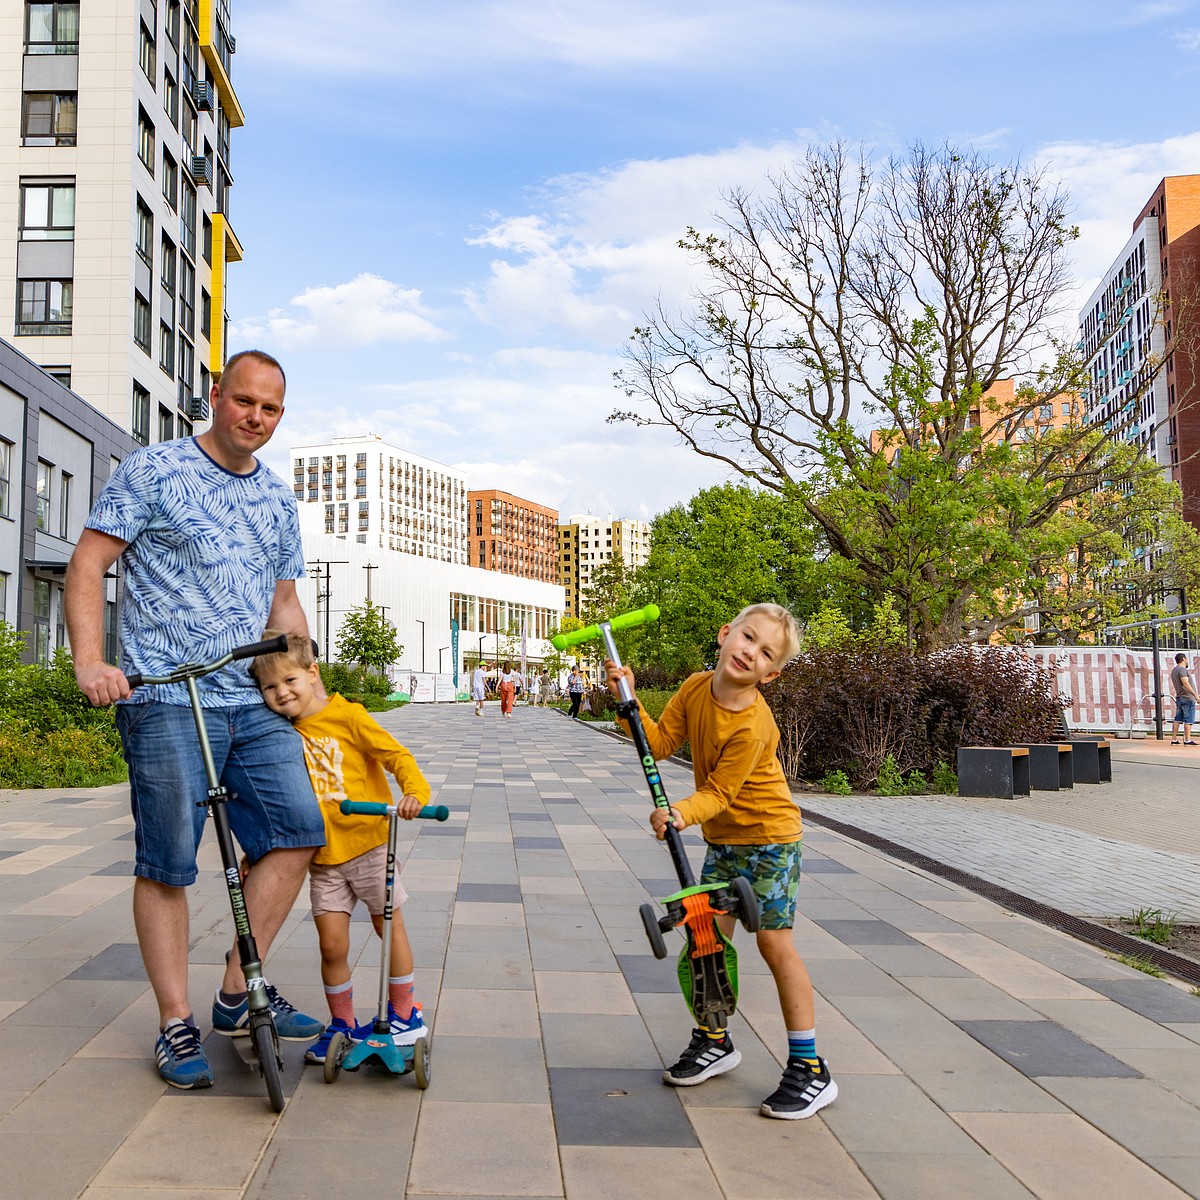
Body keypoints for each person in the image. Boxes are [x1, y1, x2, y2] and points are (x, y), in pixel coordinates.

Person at [64, 350, 326, 1091]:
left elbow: (283, 607)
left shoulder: (277, 498)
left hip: (252, 699)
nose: (256, 417)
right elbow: (88, 565)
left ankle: (238, 993)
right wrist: (91, 662)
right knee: (168, 862)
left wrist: (312, 691)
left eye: (270, 409)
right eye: (244, 401)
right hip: (166, 698)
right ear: (216, 396)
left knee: (299, 830)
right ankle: (175, 1021)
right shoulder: (155, 471)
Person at [604, 603, 836, 1121]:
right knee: (706, 940)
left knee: (775, 944)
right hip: (725, 841)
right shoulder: (694, 687)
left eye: (765, 652)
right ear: (726, 632)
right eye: (748, 637)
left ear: (770, 673)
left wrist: (680, 814)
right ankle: (714, 1040)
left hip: (771, 840)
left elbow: (721, 793)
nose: (750, 651)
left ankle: (810, 1068)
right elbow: (660, 744)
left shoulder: (754, 724)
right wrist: (630, 700)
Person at [249, 632, 430, 1063]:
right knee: (331, 945)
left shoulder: (348, 716)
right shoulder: (282, 731)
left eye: (289, 680)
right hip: (323, 859)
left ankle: (405, 1015)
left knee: (389, 929)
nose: (281, 693)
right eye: (270, 688)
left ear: (312, 674)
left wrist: (414, 792)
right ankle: (342, 1023)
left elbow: (395, 755)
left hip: (369, 847)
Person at [1171, 652, 1199, 745]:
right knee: (1188, 719)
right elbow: (1185, 683)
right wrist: (1196, 695)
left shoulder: (1174, 670)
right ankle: (1187, 740)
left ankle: (1174, 739)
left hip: (1179, 696)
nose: (1187, 661)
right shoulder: (1182, 670)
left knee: (1177, 719)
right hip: (1187, 697)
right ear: (1183, 659)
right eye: (1186, 659)